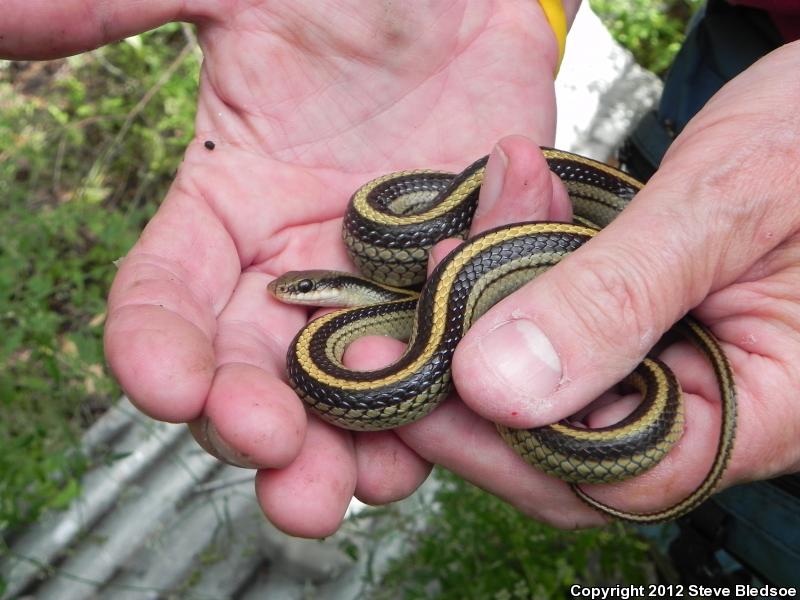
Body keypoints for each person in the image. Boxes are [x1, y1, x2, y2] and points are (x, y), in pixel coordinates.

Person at [3, 1, 800, 540]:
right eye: (305, 290)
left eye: (307, 289)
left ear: (345, 292)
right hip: (729, 59)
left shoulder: (426, 286)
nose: (296, 295)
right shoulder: (393, 279)